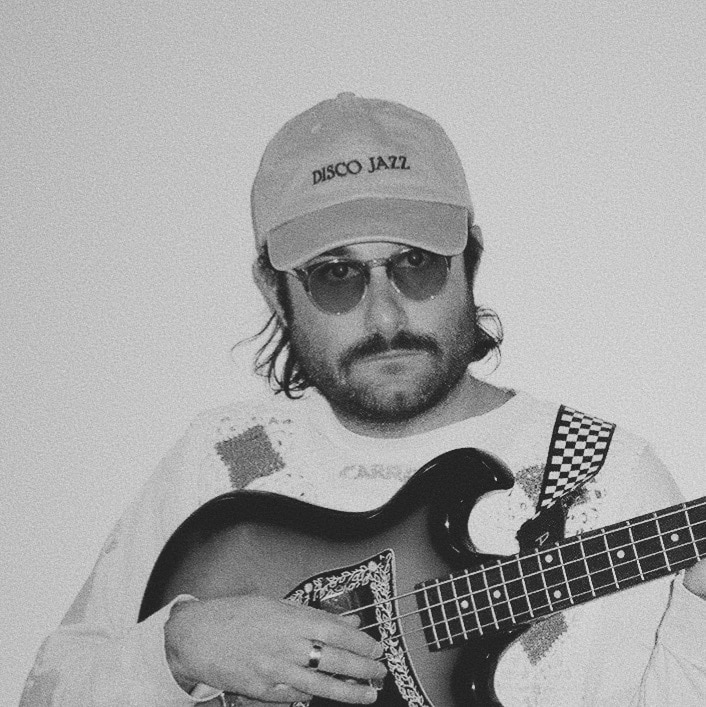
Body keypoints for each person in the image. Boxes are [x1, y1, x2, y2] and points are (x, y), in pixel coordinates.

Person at [21, 92, 706, 707]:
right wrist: (178, 648)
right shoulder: (223, 457)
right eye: (337, 275)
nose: (385, 316)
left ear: (469, 259)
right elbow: (47, 691)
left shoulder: (596, 475)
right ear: (274, 291)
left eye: (416, 263)